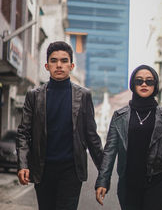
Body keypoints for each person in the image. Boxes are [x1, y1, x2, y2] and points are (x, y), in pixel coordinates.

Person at [16, 41, 103, 210]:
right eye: (54, 61)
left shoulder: (83, 96)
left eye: (64, 61)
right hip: (43, 170)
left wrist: (104, 173)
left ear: (71, 65)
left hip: (72, 170)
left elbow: (92, 137)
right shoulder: (34, 96)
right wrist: (23, 164)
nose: (59, 65)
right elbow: (24, 133)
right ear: (47, 66)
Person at [95, 64, 162, 210]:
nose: (144, 84)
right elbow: (109, 151)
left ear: (155, 86)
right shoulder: (119, 116)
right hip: (128, 183)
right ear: (132, 84)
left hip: (158, 181)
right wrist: (102, 181)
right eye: (139, 81)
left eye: (149, 81)